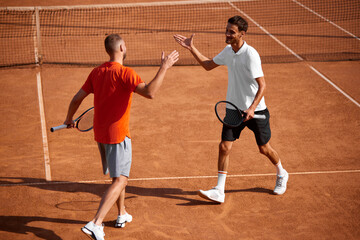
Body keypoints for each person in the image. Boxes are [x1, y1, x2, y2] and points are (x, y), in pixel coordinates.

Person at [63, 34, 179, 240]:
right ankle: (96, 223)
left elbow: (76, 99)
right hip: (118, 135)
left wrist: (69, 119)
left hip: (100, 134)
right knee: (121, 180)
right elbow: (150, 92)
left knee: (118, 177)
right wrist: (165, 67)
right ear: (122, 47)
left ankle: (121, 214)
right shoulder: (126, 74)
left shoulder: (96, 72)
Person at [174, 15, 288, 203]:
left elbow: (263, 85)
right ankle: (219, 190)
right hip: (234, 108)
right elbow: (208, 65)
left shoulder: (250, 55)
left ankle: (282, 173)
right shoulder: (228, 51)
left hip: (256, 111)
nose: (227, 34)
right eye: (226, 30)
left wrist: (251, 108)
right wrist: (191, 47)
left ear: (242, 34)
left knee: (264, 148)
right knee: (224, 146)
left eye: (231, 32)